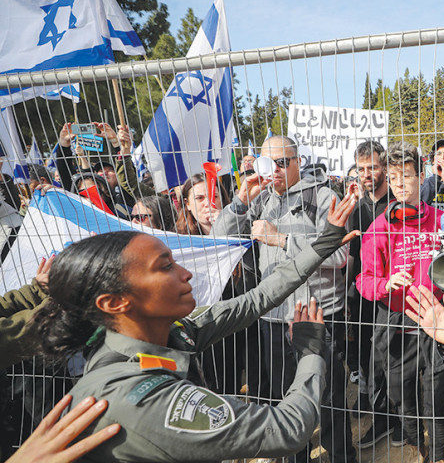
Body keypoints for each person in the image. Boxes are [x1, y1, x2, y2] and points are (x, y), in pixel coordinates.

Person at [29, 192, 359, 462]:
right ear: (114, 302)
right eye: (165, 267)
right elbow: (287, 429)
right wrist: (311, 354)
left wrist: (323, 244)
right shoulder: (143, 400)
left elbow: (255, 300)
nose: (185, 273)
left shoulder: (161, 334)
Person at [212, 135, 355, 463]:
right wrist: (239, 203)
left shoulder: (321, 196)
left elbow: (340, 254)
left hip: (317, 314)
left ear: (298, 162)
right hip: (273, 318)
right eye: (267, 163)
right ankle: (297, 457)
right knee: (286, 398)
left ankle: (342, 457)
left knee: (329, 395)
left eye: (282, 162)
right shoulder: (260, 199)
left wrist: (282, 240)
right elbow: (218, 239)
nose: (274, 170)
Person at [356, 141, 444, 463]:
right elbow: (363, 280)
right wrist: (386, 284)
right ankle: (417, 449)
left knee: (436, 398)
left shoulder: (442, 221)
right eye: (394, 176)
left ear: (420, 175)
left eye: (407, 176)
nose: (399, 183)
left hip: (436, 320)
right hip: (396, 324)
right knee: (403, 399)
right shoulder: (378, 228)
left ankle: (437, 455)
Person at [345, 140, 404, 448]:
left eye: (374, 168)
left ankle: (397, 421)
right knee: (370, 359)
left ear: (385, 169)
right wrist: (349, 296)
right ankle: (377, 411)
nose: (368, 174)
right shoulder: (358, 208)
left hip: (394, 296)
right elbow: (353, 253)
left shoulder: (398, 205)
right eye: (362, 169)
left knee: (393, 360)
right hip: (365, 293)